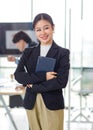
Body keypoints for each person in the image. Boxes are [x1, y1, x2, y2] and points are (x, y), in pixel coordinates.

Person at [14, 13, 70, 130]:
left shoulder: (62, 53)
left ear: (53, 28)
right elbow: (18, 75)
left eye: (46, 28)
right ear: (35, 31)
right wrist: (43, 76)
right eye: (38, 29)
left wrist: (33, 86)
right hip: (32, 103)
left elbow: (61, 81)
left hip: (52, 103)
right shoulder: (28, 52)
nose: (43, 33)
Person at [7, 31, 37, 108]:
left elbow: (32, 69)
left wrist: (24, 85)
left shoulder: (32, 48)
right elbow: (26, 64)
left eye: (17, 44)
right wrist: (15, 60)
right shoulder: (30, 47)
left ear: (21, 41)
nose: (17, 46)